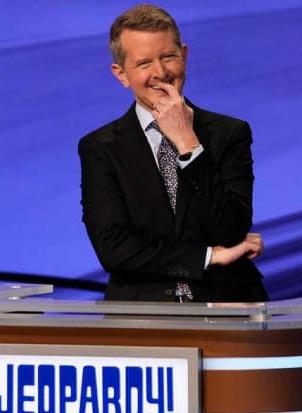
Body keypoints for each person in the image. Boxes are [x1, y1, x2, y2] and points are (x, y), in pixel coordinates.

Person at [79, 4, 267, 302]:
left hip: (229, 304)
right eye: (143, 64)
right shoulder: (101, 148)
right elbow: (113, 249)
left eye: (168, 56)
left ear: (185, 55)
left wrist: (187, 142)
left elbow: (232, 228)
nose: (161, 73)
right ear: (121, 74)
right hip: (141, 316)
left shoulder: (229, 133)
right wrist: (208, 256)